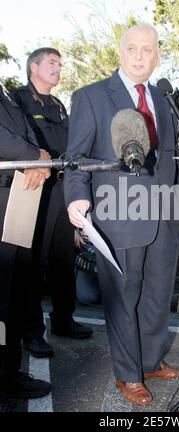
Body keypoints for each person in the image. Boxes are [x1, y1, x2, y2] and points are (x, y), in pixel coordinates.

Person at [64, 24, 179, 406]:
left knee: (156, 296)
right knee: (123, 298)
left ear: (157, 55)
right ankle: (129, 374)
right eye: (132, 48)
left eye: (147, 50)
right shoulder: (91, 97)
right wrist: (76, 198)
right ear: (121, 51)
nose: (139, 56)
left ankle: (149, 361)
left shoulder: (164, 99)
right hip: (118, 217)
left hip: (164, 214)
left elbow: (171, 161)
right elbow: (76, 160)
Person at [10, 47, 92, 359]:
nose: (58, 67)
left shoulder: (58, 104)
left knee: (64, 258)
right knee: (32, 263)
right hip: (33, 188)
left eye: (60, 63)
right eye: (52, 62)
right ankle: (31, 332)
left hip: (60, 188)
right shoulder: (18, 100)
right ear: (33, 67)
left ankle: (63, 319)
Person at [0, 85, 51, 402]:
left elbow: (24, 132)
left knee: (13, 294)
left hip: (16, 195)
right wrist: (35, 157)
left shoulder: (5, 92)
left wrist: (38, 161)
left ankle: (7, 373)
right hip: (3, 197)